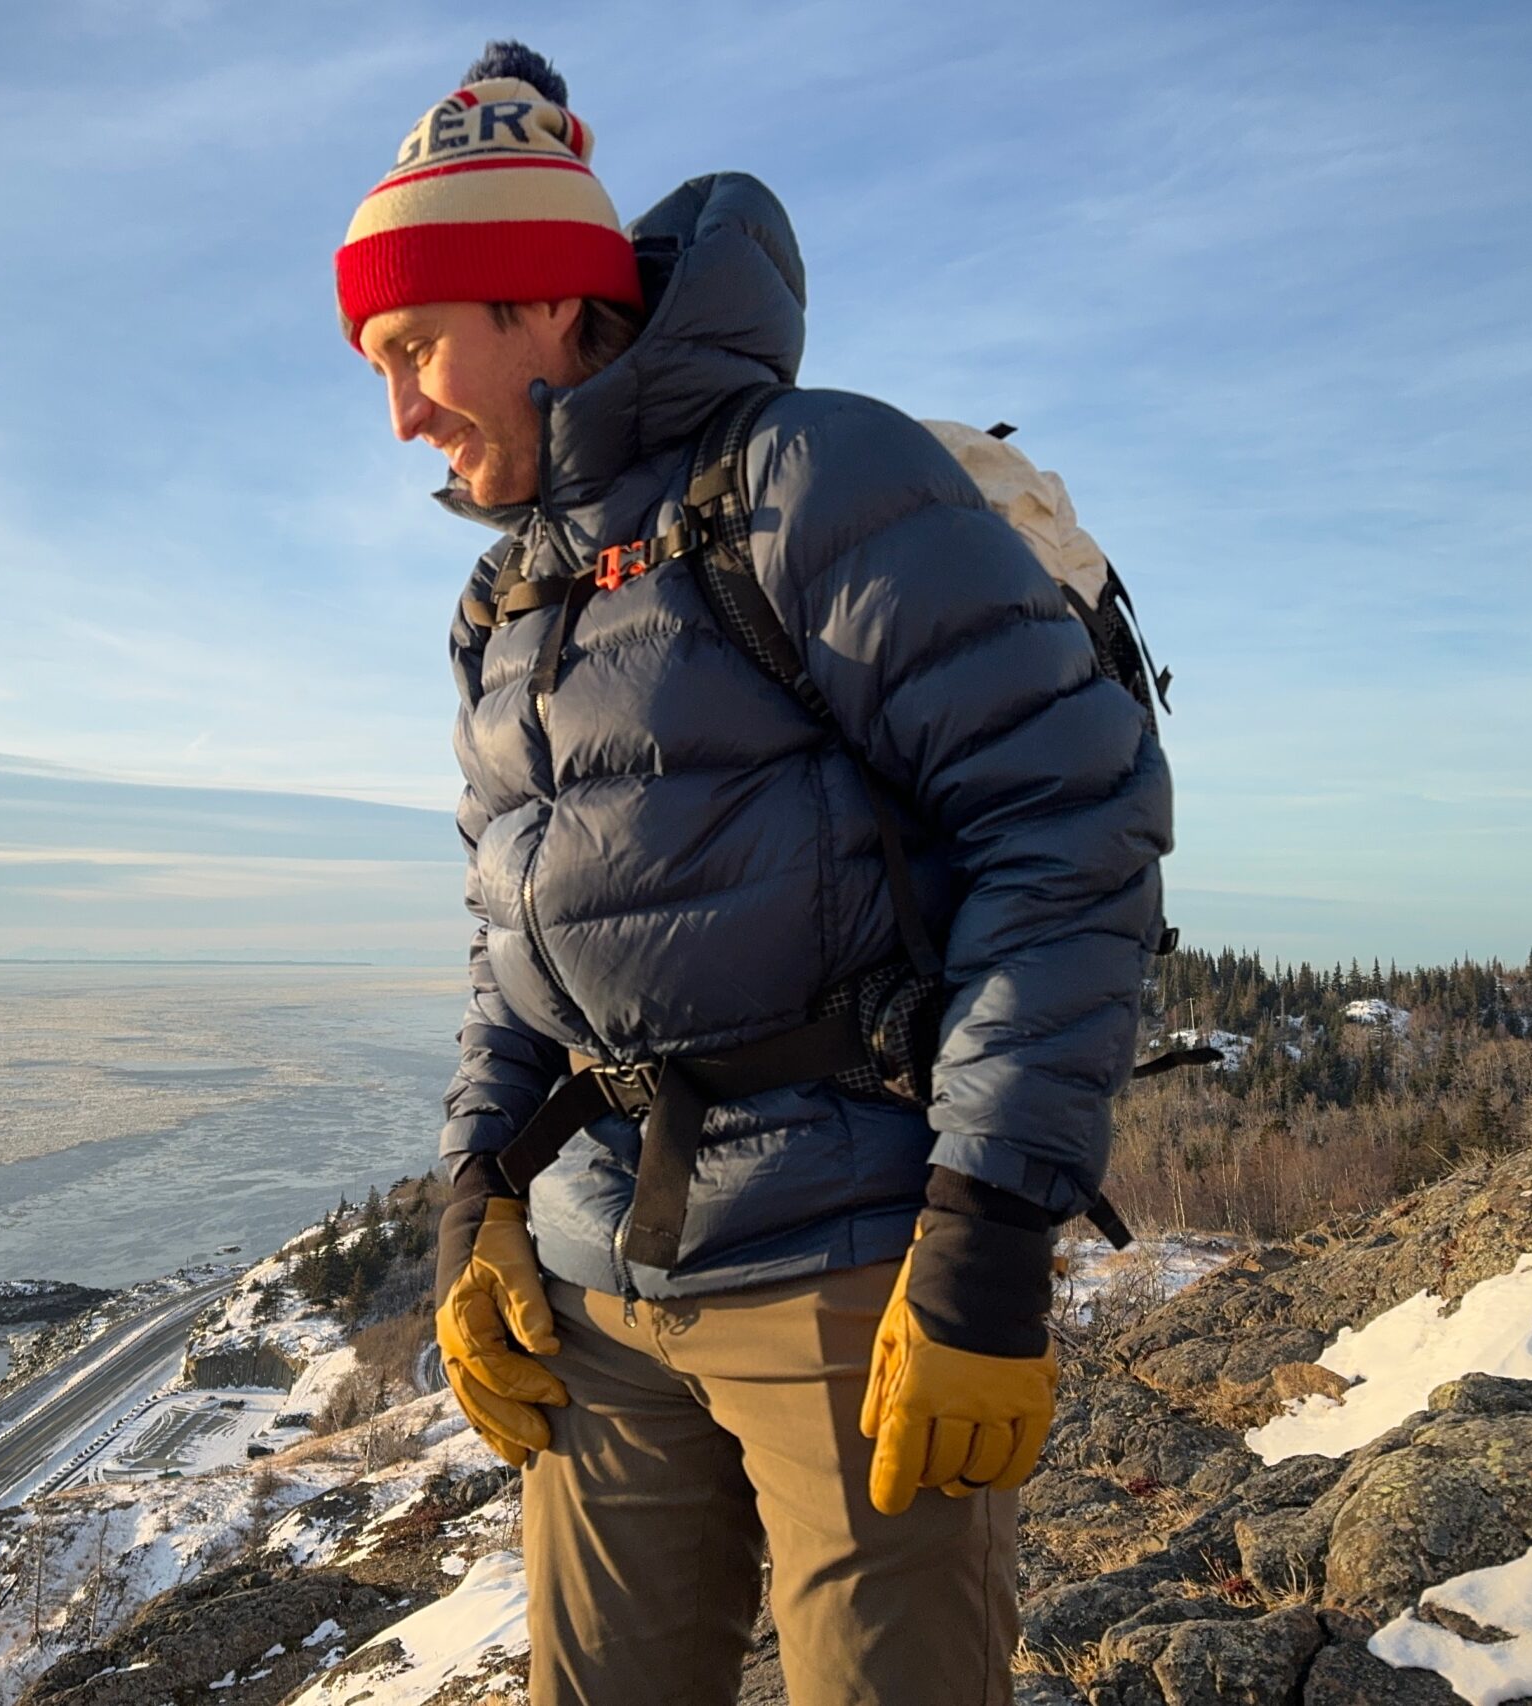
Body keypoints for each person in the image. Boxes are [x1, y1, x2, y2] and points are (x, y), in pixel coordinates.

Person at [337, 41, 1172, 1706]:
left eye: (418, 345)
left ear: (544, 302)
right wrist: (474, 1206)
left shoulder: (810, 481)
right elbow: (514, 944)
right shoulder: (502, 604)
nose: (400, 411)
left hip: (850, 1269)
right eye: (373, 364)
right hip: (596, 1282)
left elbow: (1065, 829)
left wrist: (988, 1239)